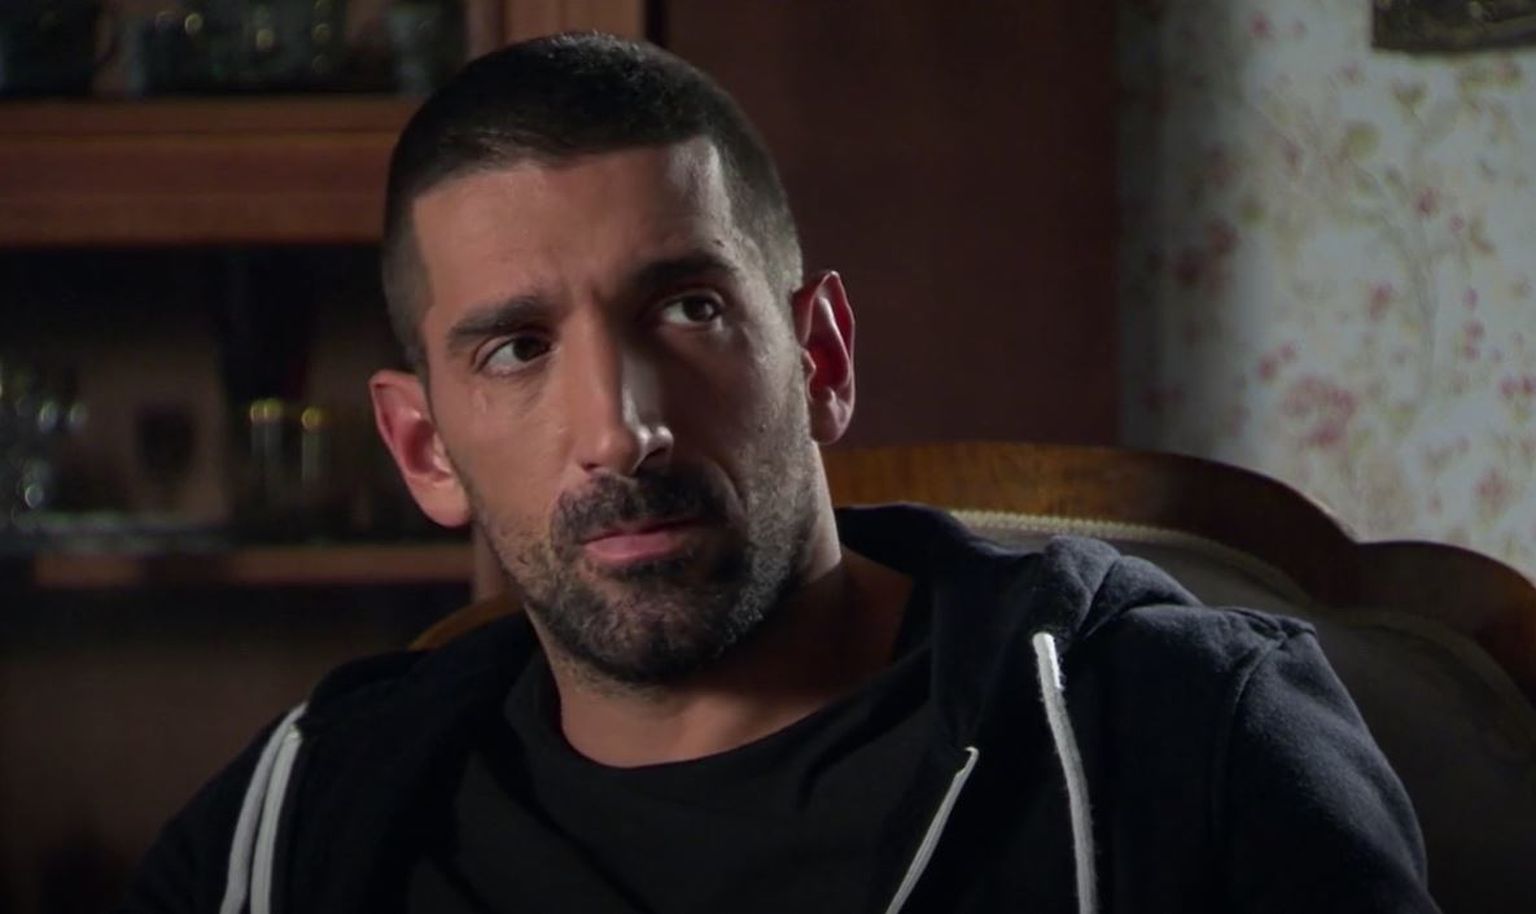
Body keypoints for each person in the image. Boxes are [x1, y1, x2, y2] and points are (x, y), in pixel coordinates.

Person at [120, 33, 1438, 914]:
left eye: (687, 309)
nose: (621, 430)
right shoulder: (300, 814)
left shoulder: (1188, 734)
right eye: (517, 348)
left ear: (821, 355)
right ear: (423, 448)